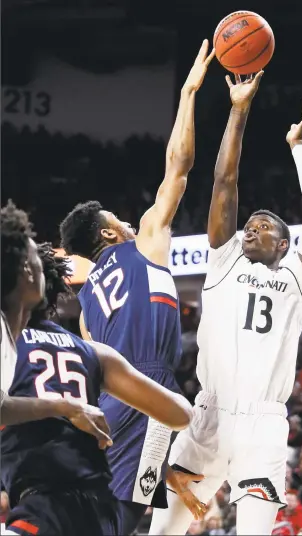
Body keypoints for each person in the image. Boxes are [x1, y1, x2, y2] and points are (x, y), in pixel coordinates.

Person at [150, 72, 302, 535]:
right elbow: (225, 179)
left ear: (286, 245)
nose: (251, 227)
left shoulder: (298, 278)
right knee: (161, 532)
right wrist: (238, 109)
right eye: (249, 223)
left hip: (262, 427)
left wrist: (297, 147)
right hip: (207, 416)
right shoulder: (224, 259)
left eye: (265, 226)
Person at [59, 40, 214, 532]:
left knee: (102, 516)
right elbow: (179, 166)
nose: (129, 221)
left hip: (108, 403)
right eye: (118, 219)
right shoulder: (143, 242)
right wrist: (189, 91)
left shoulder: (86, 301)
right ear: (108, 233)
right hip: (148, 391)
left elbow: (93, 368)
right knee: (126, 522)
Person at [1, 244, 193, 536]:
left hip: (45, 508)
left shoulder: (9, 342)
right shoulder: (93, 351)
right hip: (100, 512)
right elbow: (180, 414)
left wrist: (62, 407)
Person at [0, 201, 111, 446]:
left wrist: (67, 408)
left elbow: (4, 408)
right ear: (28, 272)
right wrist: (68, 407)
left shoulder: (11, 337)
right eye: (38, 263)